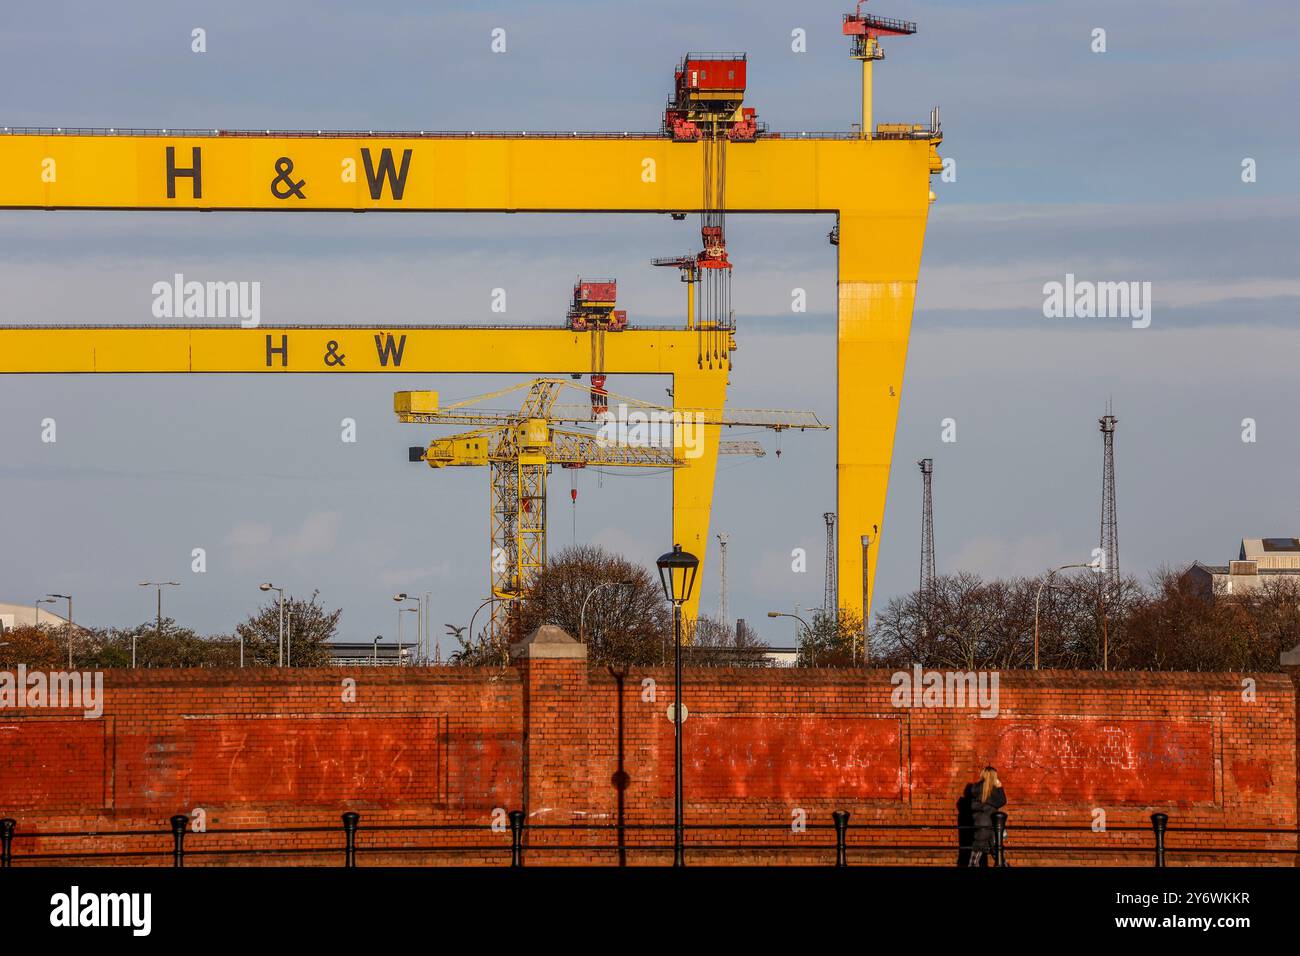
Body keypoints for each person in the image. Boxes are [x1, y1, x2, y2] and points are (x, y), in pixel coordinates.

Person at [966, 766, 1006, 867]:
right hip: (991, 827)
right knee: (998, 856)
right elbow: (1002, 801)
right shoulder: (994, 791)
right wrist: (1000, 786)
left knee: (975, 860)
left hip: (980, 825)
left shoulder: (976, 788)